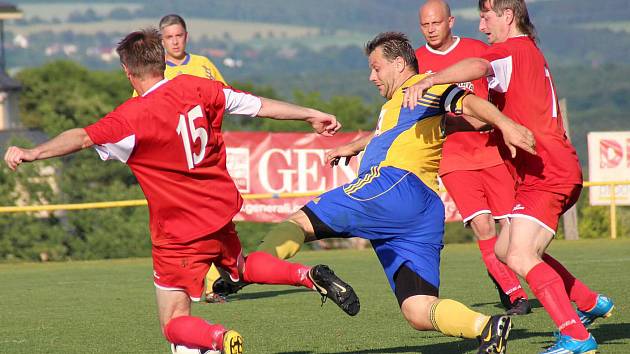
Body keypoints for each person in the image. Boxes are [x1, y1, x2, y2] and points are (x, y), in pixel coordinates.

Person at [4, 28, 361, 354]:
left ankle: (220, 339)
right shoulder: (198, 87)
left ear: (128, 72)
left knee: (174, 323)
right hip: (219, 212)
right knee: (239, 268)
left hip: (178, 234)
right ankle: (306, 275)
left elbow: (80, 137)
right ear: (162, 62)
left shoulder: (129, 118)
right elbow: (259, 106)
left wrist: (33, 152)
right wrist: (311, 114)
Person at [222, 32, 537, 354]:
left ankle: (246, 271)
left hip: (393, 186)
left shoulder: (423, 86)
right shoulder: (400, 104)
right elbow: (411, 129)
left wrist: (506, 124)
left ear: (399, 63)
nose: (371, 77)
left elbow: (467, 101)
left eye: (376, 68)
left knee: (299, 223)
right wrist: (352, 146)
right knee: (417, 308)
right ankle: (486, 327)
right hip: (424, 210)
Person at [402, 1, 614, 353]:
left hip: (548, 170)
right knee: (505, 248)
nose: (483, 27)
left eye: (486, 17)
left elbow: (478, 64)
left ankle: (576, 336)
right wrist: (441, 122)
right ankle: (590, 302)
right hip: (541, 170)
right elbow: (484, 120)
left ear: (507, 16)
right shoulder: (521, 54)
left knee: (519, 255)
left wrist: (432, 77)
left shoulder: (510, 50)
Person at [415, 0, 530, 315]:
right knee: (483, 226)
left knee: (511, 224)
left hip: (492, 151)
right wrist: (451, 122)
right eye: (425, 24)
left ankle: (528, 278)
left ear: (450, 21)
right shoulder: (417, 62)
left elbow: (500, 93)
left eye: (436, 23)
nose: (430, 29)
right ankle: (514, 294)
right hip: (452, 157)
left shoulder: (477, 49)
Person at [132, 14, 226, 97]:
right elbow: (138, 106)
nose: (175, 42)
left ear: (186, 36)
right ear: (162, 41)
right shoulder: (152, 70)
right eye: (169, 37)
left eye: (179, 36)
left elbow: (225, 95)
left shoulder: (203, 64)